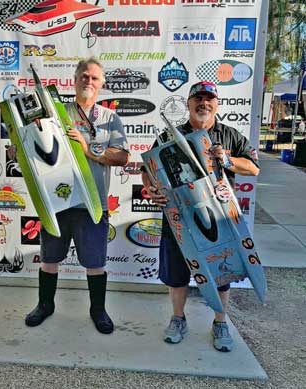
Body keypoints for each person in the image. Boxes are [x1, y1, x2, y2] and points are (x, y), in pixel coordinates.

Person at [141, 81, 260, 351]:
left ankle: (220, 322)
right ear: (189, 103)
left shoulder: (230, 136)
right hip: (179, 216)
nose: (203, 103)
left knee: (223, 270)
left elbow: (253, 169)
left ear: (216, 103)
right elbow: (147, 168)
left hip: (220, 216)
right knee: (177, 273)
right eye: (198, 98)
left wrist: (227, 160)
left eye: (209, 98)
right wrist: (150, 187)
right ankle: (178, 318)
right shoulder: (168, 136)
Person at [24, 57, 130, 334]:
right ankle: (45, 305)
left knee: (95, 263)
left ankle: (98, 310)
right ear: (74, 79)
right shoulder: (56, 112)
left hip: (92, 204)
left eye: (94, 78)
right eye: (84, 76)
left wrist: (88, 148)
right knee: (49, 259)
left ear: (102, 84)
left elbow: (121, 157)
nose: (89, 81)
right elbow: (37, 142)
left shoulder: (110, 118)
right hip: (57, 201)